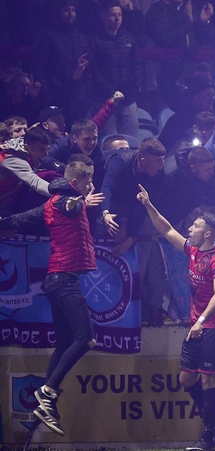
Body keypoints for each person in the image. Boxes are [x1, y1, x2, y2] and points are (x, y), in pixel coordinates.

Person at [0, 155, 104, 436]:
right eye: (87, 181)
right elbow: (70, 206)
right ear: (75, 182)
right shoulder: (66, 201)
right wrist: (81, 202)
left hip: (56, 281)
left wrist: (4, 222)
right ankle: (48, 392)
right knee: (86, 339)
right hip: (64, 281)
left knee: (65, 343)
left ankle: (47, 405)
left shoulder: (50, 203)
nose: (91, 185)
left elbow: (21, 219)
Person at [137, 185, 215, 451]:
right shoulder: (193, 250)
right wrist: (148, 205)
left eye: (195, 226)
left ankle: (209, 438)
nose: (189, 229)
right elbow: (167, 229)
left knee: (209, 380)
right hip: (197, 325)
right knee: (186, 379)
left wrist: (201, 321)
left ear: (208, 234)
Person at [89, 0, 143, 136]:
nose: (117, 18)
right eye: (113, 15)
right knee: (110, 140)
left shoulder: (129, 39)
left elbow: (137, 65)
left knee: (131, 140)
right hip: (104, 100)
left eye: (120, 14)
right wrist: (110, 92)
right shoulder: (95, 41)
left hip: (128, 98)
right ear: (103, 17)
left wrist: (132, 88)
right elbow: (93, 71)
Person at [145, 0, 214, 48]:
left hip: (194, 61)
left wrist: (203, 22)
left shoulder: (190, 8)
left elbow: (208, 40)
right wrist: (188, 22)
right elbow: (165, 39)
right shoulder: (157, 11)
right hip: (167, 62)